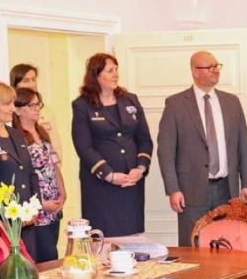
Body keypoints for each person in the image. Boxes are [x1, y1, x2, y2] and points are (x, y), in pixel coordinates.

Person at [157, 50, 247, 246]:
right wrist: (173, 189)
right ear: (195, 71)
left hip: (227, 189)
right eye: (210, 67)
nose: (216, 70)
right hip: (191, 190)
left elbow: (243, 144)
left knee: (226, 244)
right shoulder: (176, 104)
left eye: (217, 66)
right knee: (192, 244)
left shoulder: (232, 102)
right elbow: (165, 151)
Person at [72, 53, 153, 237]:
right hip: (101, 184)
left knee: (131, 235)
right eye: (110, 71)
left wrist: (140, 168)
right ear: (96, 75)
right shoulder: (82, 105)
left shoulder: (130, 99)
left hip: (130, 182)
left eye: (116, 69)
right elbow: (83, 147)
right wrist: (109, 175)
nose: (116, 74)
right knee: (104, 238)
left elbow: (144, 139)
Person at [0, 80, 39, 260]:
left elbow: (30, 172)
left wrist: (34, 208)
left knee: (30, 266)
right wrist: (6, 214)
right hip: (3, 221)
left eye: (13, 103)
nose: (13, 108)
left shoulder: (17, 134)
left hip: (27, 219)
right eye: (7, 104)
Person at [13, 88, 66, 262]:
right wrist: (42, 204)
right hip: (38, 208)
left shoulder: (42, 132)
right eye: (31, 105)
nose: (37, 109)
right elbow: (23, 177)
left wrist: (62, 192)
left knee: (52, 251)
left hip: (54, 205)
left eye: (38, 104)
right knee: (46, 255)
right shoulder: (17, 138)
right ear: (17, 110)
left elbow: (54, 165)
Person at [10, 63, 63, 164]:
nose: (32, 84)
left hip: (49, 168)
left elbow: (55, 143)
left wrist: (57, 166)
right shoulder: (10, 112)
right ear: (15, 84)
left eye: (33, 79)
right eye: (26, 80)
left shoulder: (46, 111)